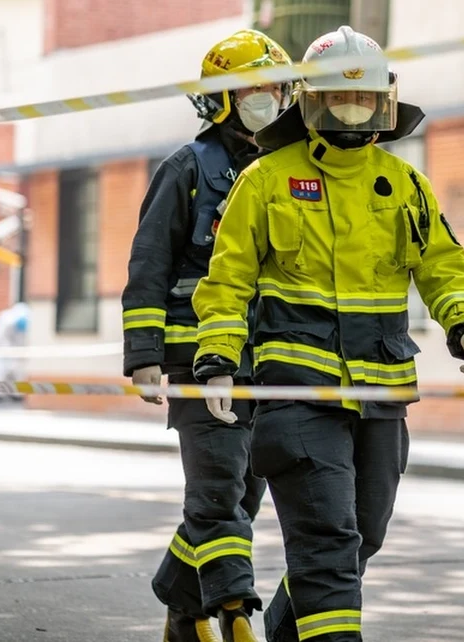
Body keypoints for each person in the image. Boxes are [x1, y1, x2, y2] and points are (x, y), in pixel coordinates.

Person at [190, 26, 464, 642]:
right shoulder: (266, 179)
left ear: (385, 103)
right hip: (296, 395)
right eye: (338, 99)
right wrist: (217, 359)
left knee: (361, 537)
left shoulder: (404, 183)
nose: (353, 111)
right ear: (309, 102)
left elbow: (442, 263)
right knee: (328, 540)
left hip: (381, 394)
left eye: (364, 99)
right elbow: (226, 282)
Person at [120, 29, 294, 642]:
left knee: (242, 498)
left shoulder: (286, 171)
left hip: (270, 361)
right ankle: (233, 615)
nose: (269, 101)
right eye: (255, 91)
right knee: (219, 494)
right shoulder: (188, 169)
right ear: (222, 98)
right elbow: (149, 265)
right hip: (196, 358)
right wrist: (144, 357)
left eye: (277, 89)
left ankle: (177, 599)